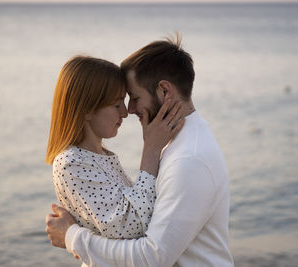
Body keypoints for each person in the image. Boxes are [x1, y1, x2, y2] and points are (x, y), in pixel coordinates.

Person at [46, 36, 234, 266]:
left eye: (134, 98)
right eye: (120, 103)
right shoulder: (176, 144)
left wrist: (72, 237)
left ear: (165, 91)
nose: (129, 110)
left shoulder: (189, 159)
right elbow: (128, 222)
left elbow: (150, 256)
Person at [45, 56, 184, 243]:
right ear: (86, 110)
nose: (125, 112)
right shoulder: (71, 163)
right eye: (116, 104)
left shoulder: (98, 156)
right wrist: (151, 149)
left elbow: (138, 213)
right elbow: (132, 226)